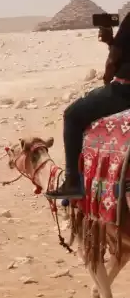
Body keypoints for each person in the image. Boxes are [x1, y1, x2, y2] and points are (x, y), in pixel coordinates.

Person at [47, 13, 130, 199]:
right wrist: (111, 41)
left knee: (72, 115)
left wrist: (108, 78)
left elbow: (113, 60)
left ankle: (73, 182)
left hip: (125, 91)